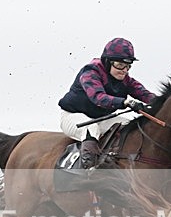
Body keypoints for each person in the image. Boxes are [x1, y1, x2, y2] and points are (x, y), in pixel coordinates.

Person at [58, 38, 157, 169]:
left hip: (100, 119)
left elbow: (146, 95)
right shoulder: (90, 73)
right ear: (107, 62)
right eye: (120, 65)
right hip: (73, 117)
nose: (124, 70)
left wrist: (162, 104)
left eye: (128, 66)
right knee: (91, 130)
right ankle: (87, 171)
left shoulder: (126, 80)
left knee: (129, 126)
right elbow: (99, 98)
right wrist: (126, 102)